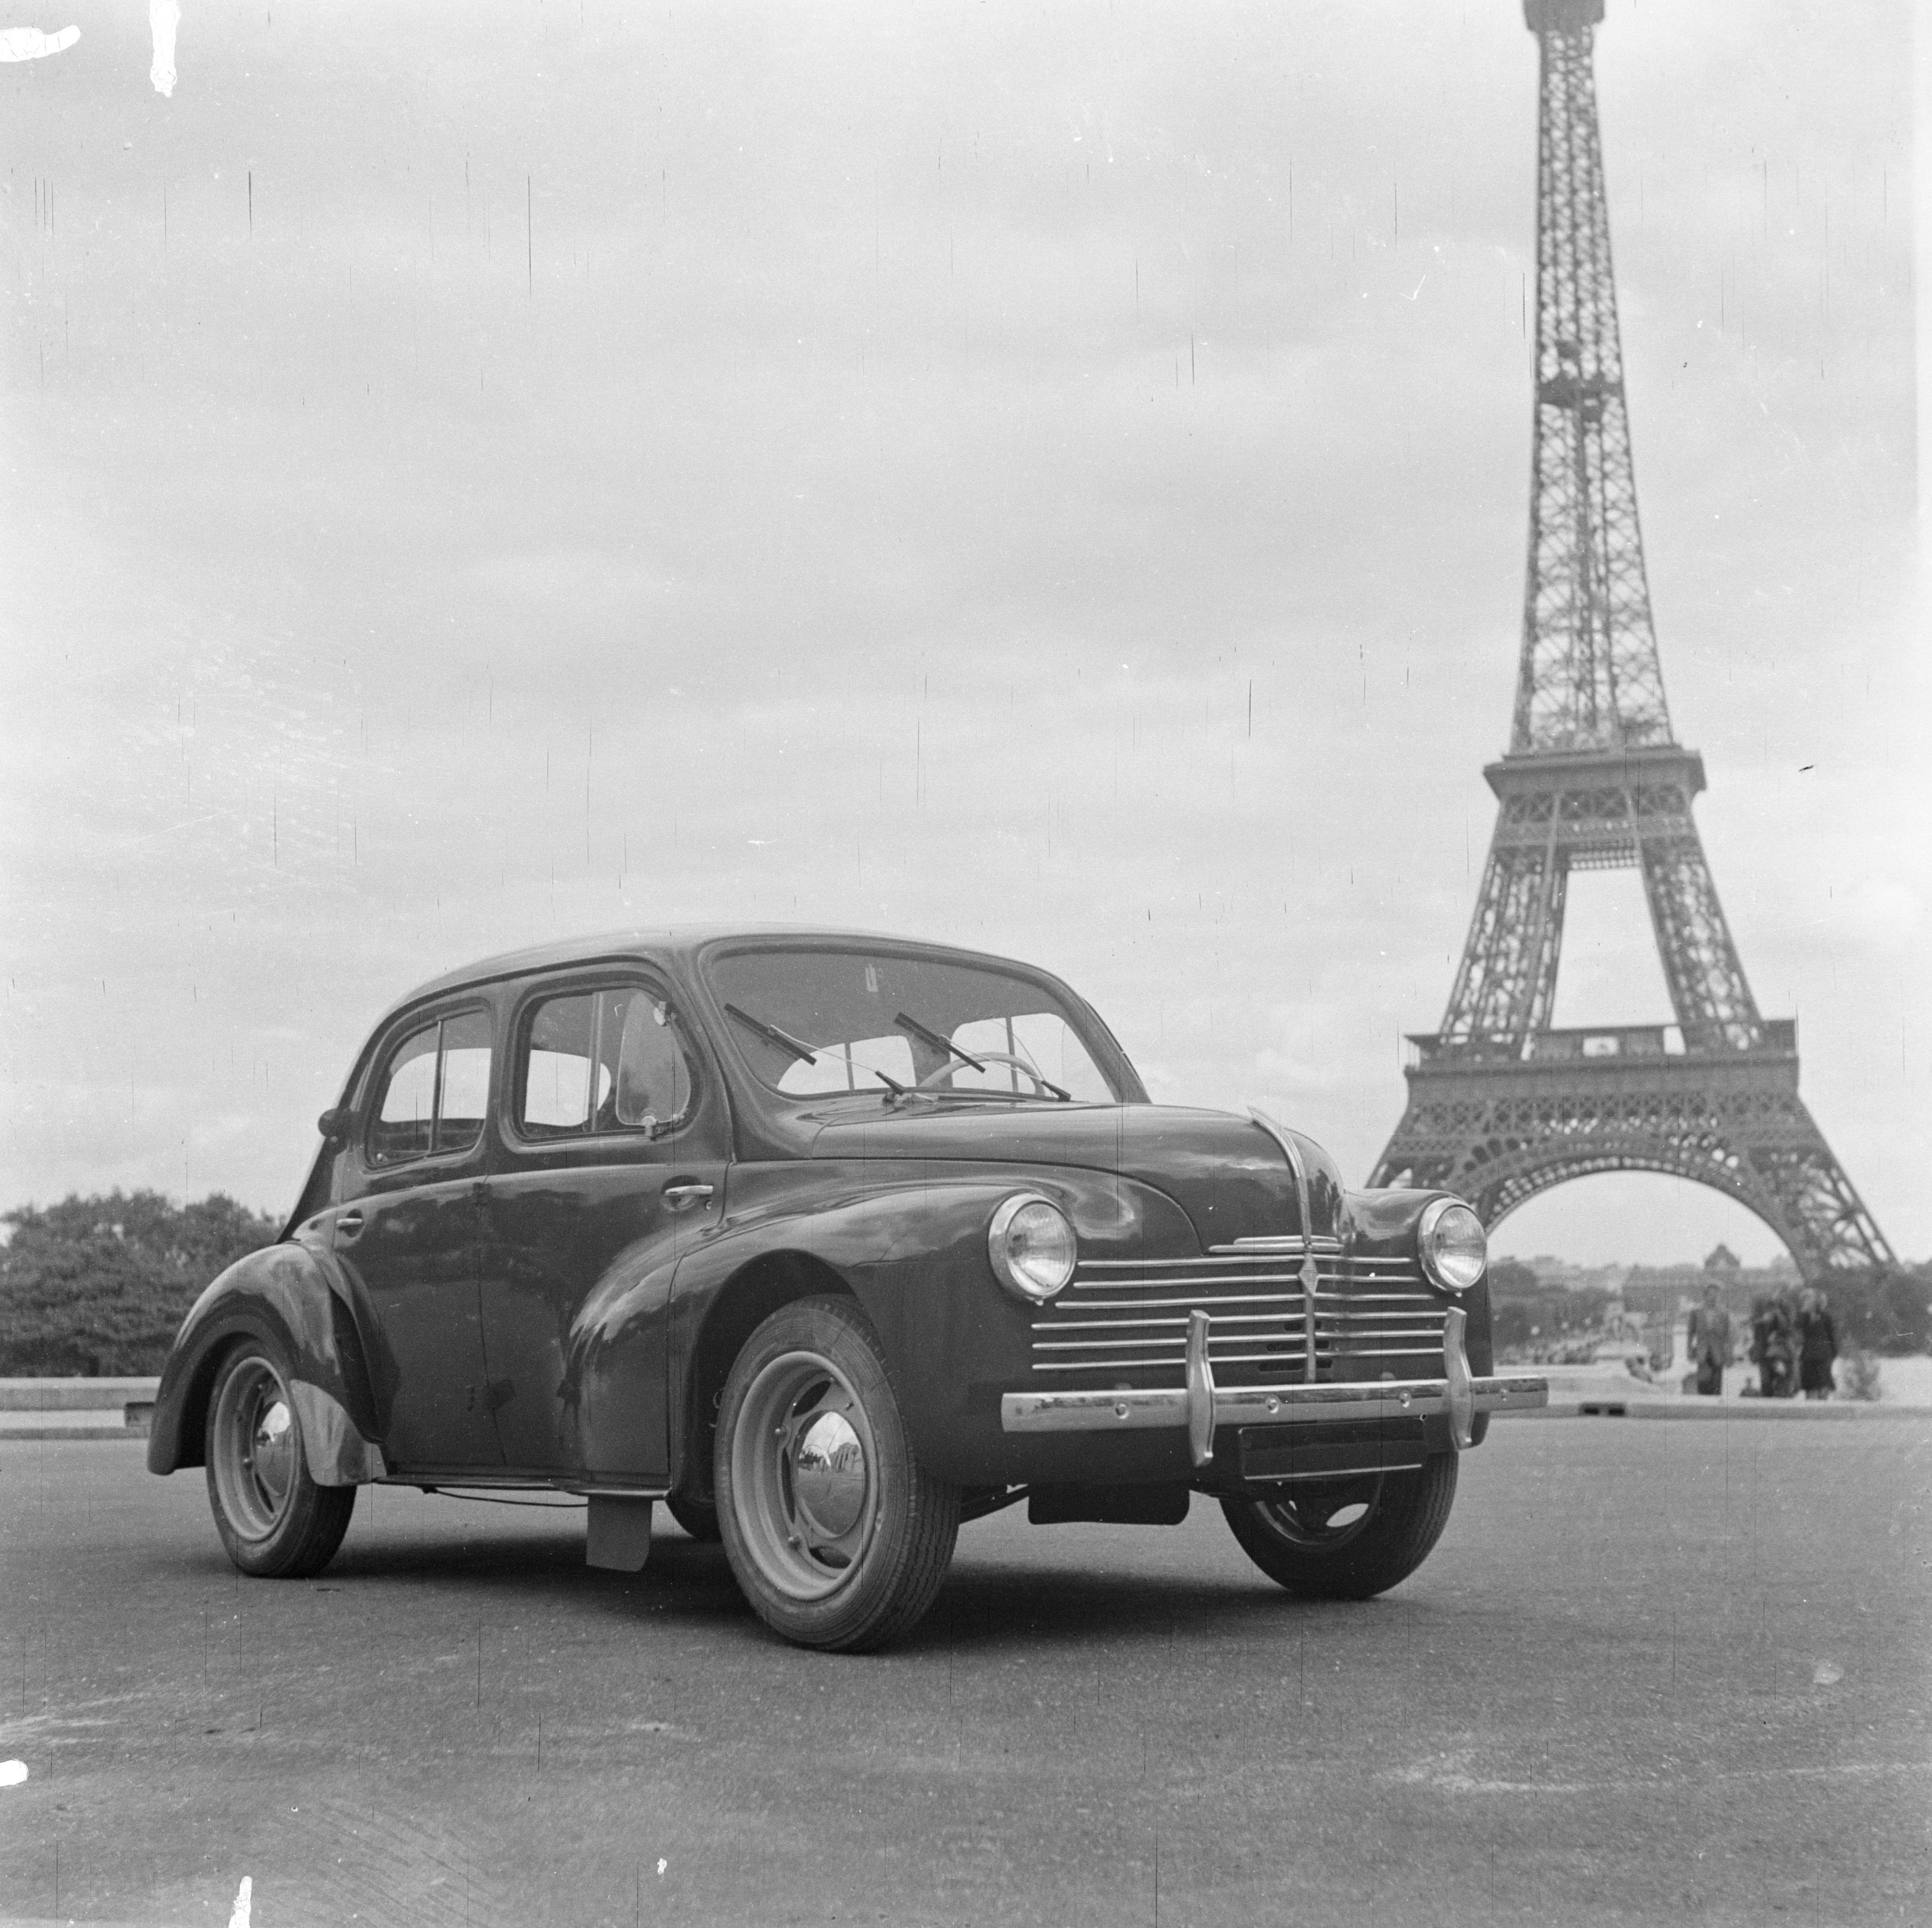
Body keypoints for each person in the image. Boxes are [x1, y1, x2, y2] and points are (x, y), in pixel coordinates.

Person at [1686, 1283, 1733, 1397]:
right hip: (1703, 1351)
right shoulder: (1696, 1312)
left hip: (1718, 1352)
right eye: (1711, 1294)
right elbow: (1690, 1333)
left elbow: (1728, 1336)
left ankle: (1716, 1410)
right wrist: (1689, 1350)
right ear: (1705, 1296)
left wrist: (1729, 1355)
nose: (1714, 1297)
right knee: (1703, 1383)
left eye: (1717, 1295)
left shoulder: (1724, 1313)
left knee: (1717, 1384)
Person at [1796, 1287, 1838, 1401]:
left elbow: (1800, 1330)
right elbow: (1832, 1337)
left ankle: (1813, 1408)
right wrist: (1834, 1353)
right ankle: (1822, 1407)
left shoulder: (1805, 1317)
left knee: (1812, 1385)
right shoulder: (1825, 1317)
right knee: (1822, 1382)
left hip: (1811, 1354)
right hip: (1823, 1354)